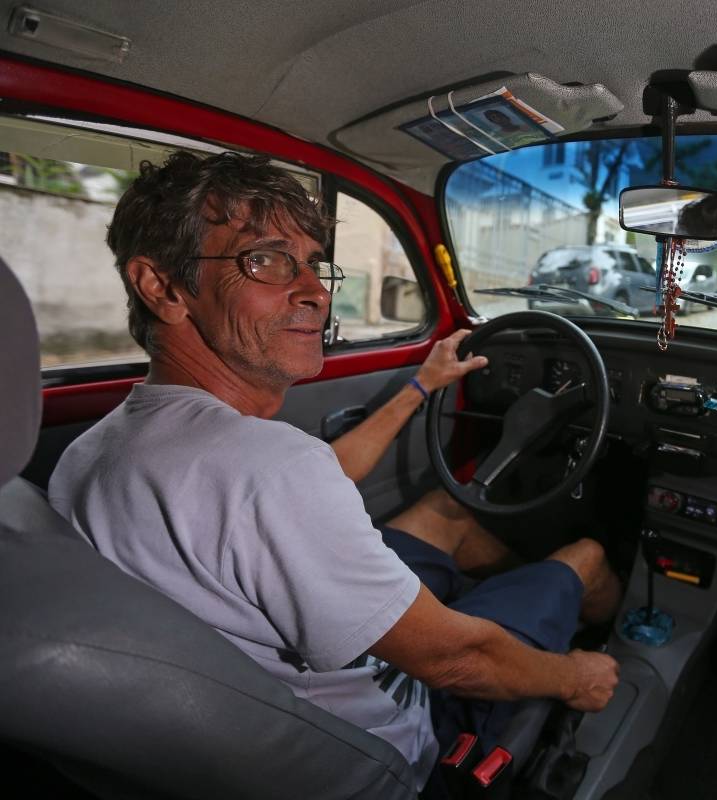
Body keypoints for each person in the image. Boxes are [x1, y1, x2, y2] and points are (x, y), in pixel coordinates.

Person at [48, 151, 621, 791]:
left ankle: (498, 605)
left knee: (448, 513)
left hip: (262, 720)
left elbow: (316, 479)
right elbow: (454, 660)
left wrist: (421, 387)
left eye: (314, 264)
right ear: (162, 287)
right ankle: (599, 636)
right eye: (264, 259)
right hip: (401, 739)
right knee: (589, 556)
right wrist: (576, 677)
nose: (315, 290)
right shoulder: (263, 470)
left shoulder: (99, 447)